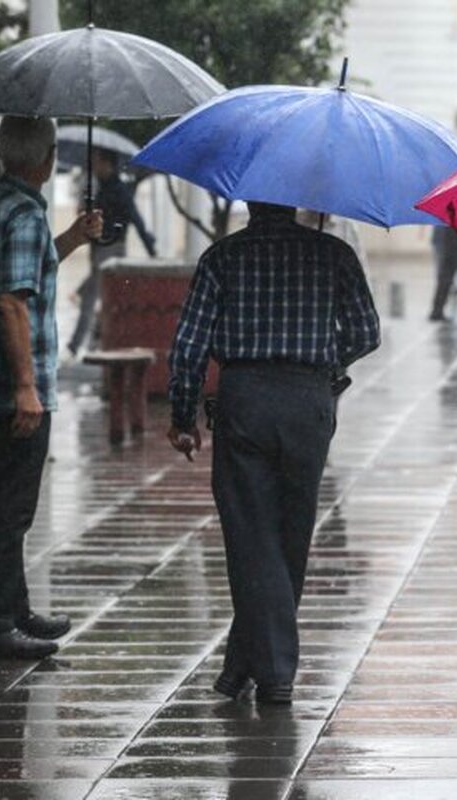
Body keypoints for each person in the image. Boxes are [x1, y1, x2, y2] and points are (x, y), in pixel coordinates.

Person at [166, 201, 380, 705]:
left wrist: (182, 414)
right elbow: (367, 333)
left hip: (246, 400)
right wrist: (324, 363)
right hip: (309, 402)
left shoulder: (223, 257)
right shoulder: (334, 254)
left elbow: (190, 344)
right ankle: (243, 666)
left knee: (250, 535)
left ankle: (276, 671)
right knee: (289, 536)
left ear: (247, 200)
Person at [0, 115, 102, 659]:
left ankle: (14, 609)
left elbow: (26, 272)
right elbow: (12, 301)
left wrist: (72, 238)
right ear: (46, 157)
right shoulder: (22, 213)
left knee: (5, 500)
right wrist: (26, 387)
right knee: (11, 510)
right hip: (7, 388)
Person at [66, 149, 156, 357]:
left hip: (111, 249)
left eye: (97, 163)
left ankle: (78, 344)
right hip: (99, 249)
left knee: (91, 298)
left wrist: (151, 249)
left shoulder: (119, 190)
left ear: (108, 164)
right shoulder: (102, 188)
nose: (94, 167)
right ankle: (92, 342)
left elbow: (136, 219)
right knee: (98, 296)